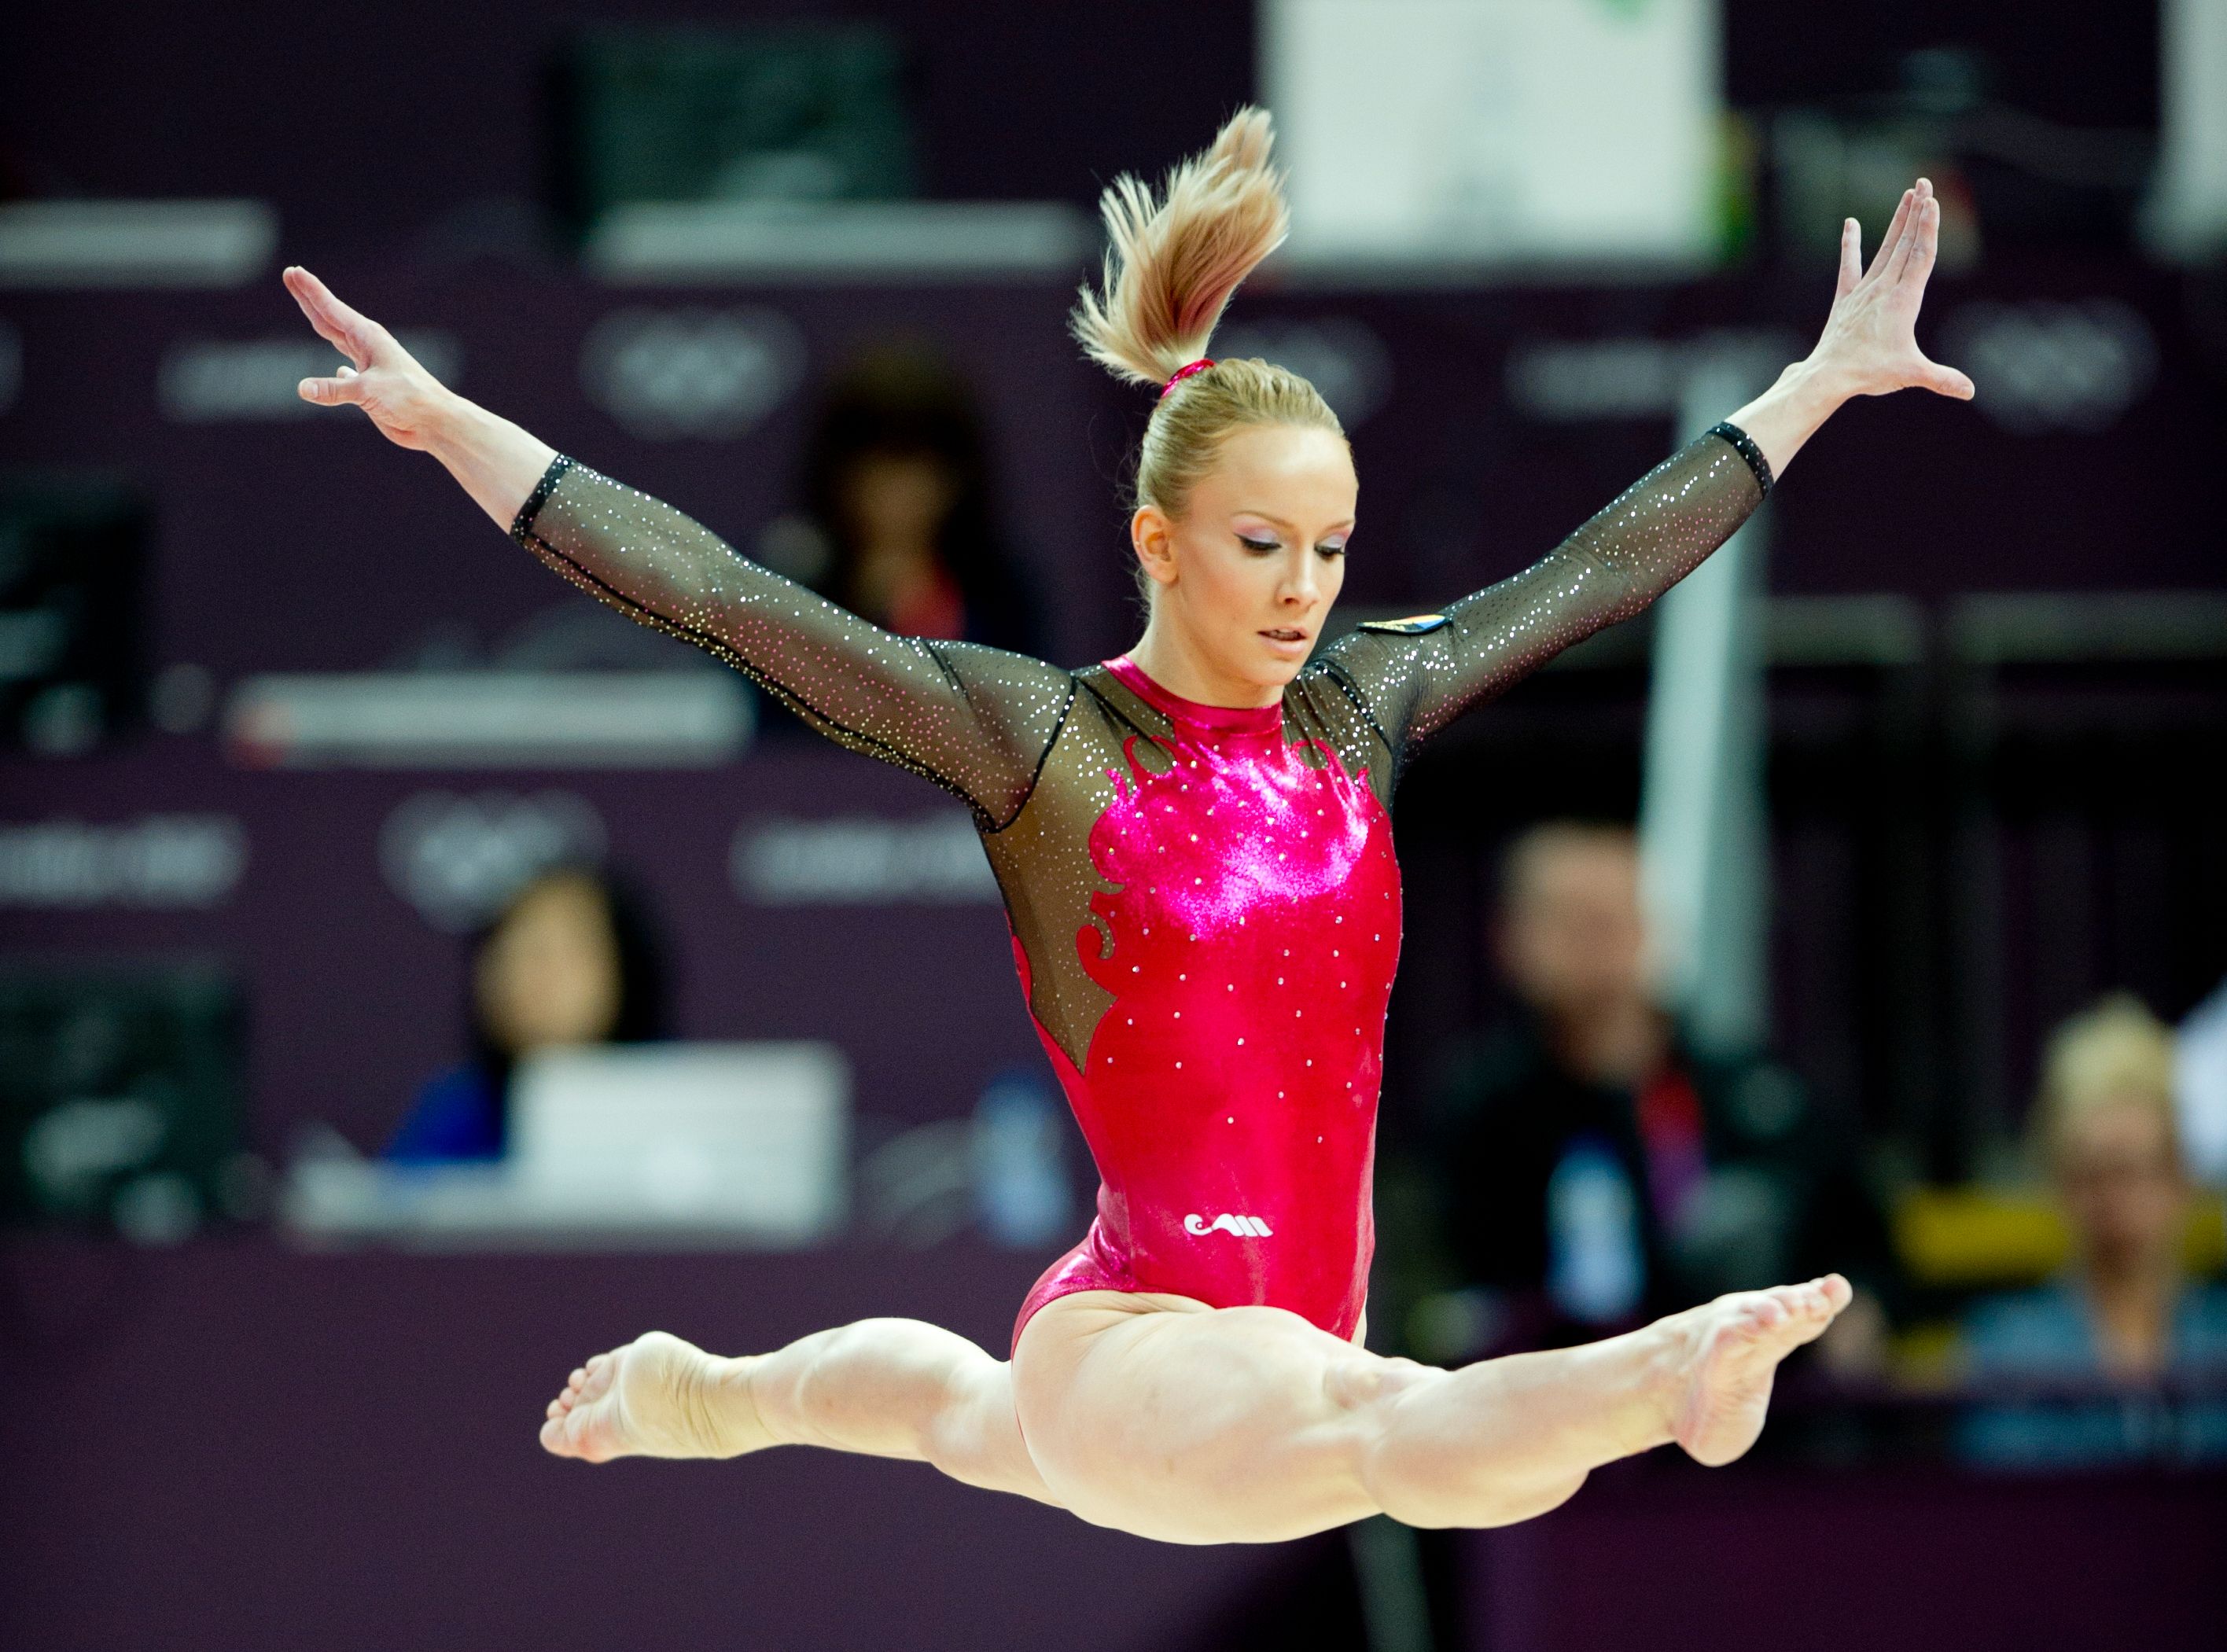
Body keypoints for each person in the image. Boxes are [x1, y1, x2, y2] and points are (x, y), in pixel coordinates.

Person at [282, 108, 1970, 1543]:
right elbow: (730, 602)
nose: (1308, 591)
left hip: (1289, 1340)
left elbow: (1593, 575)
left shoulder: (1356, 715)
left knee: (967, 1411)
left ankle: (699, 1389)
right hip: (1148, 1333)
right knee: (1404, 1438)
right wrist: (456, 432)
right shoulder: (1052, 745)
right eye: (1262, 548)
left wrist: (1817, 384)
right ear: (1161, 544)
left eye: (1330, 545)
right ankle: (1669, 1374)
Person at [1418, 821, 1892, 1356]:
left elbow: (1866, 1249)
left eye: (1612, 917)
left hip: (1758, 1407)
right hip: (1549, 1404)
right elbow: (1444, 1293)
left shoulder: (1753, 1095)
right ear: (1510, 936)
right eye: (1568, 919)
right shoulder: (1478, 1110)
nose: (1593, 941)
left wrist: (1858, 1309)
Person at [1958, 994, 2227, 1468]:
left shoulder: (2218, 1335)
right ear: (2060, 1181)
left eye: (2138, 1169)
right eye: (2094, 1172)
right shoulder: (2006, 1349)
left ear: (2181, 1177)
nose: (2116, 1199)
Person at [756, 344, 1045, 656]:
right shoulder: (794, 588)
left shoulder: (1001, 590)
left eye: (918, 468)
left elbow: (1032, 696)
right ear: (838, 478)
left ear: (957, 479)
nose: (898, 493)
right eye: (878, 469)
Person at [386, 864, 666, 1162]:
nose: (530, 975)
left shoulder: (673, 1101)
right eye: (510, 951)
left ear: (625, 969)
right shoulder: (456, 1112)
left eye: (558, 951)